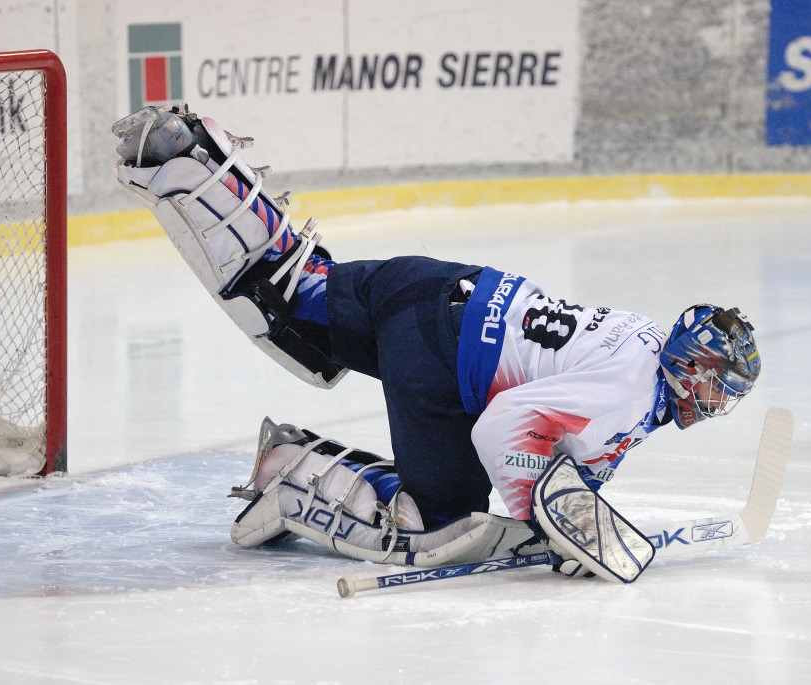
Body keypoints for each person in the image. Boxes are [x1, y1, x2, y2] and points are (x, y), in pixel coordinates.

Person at [112, 105, 761, 583]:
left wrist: (570, 510)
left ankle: (194, 159)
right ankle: (291, 477)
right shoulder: (632, 391)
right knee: (442, 524)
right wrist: (541, 520)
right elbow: (505, 426)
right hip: (439, 350)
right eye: (715, 386)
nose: (715, 403)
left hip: (434, 288)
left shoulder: (645, 344)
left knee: (291, 295)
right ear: (688, 367)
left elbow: (565, 441)